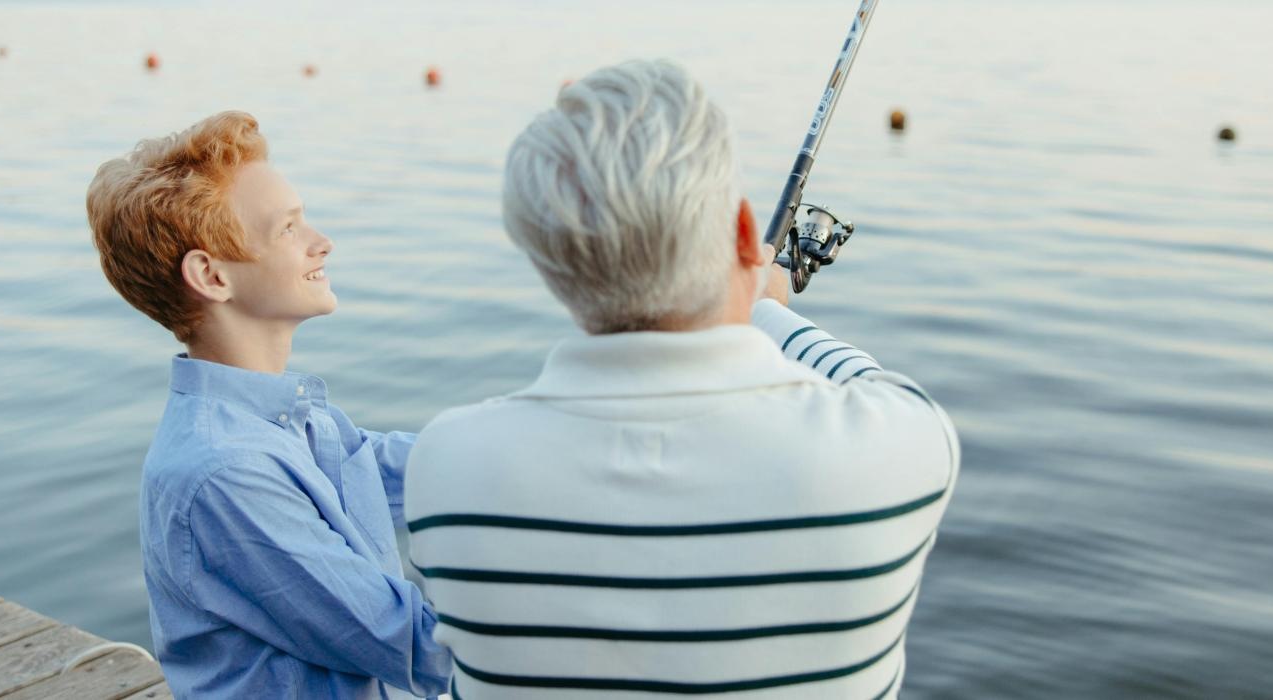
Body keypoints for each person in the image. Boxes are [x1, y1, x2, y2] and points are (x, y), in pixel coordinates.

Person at [404, 60, 959, 698]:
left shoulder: (448, 465)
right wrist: (768, 308)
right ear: (748, 232)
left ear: (549, 265)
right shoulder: (902, 448)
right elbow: (887, 391)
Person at [86, 111, 452, 698]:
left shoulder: (289, 418)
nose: (321, 242)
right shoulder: (226, 472)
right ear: (211, 275)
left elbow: (409, 467)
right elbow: (411, 643)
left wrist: (540, 445)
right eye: (287, 229)